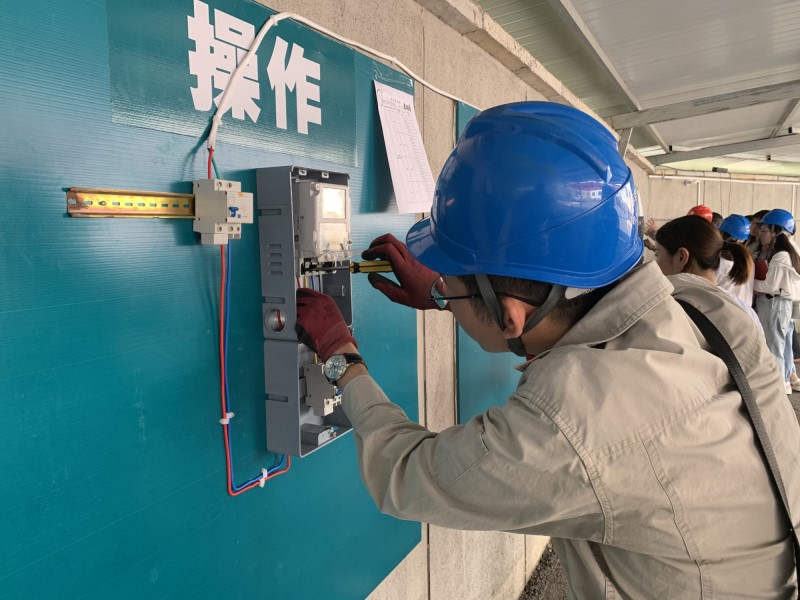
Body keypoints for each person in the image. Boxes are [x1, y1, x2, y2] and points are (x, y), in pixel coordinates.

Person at [295, 102, 800, 598]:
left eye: (451, 284)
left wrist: (341, 355)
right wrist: (448, 296)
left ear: (510, 316)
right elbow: (541, 320)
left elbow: (404, 474)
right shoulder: (702, 303)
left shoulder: (567, 424)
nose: (444, 288)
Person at [653, 215, 761, 330]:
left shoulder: (671, 312)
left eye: (657, 255)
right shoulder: (747, 312)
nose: (655, 263)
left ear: (681, 257)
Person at [754, 208, 800, 394]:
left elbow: (770, 286)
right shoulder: (777, 252)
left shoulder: (781, 255)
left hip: (775, 303)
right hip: (773, 303)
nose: (760, 234)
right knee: (779, 345)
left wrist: (749, 282)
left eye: (764, 230)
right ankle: (784, 381)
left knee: (775, 347)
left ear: (776, 231)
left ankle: (779, 387)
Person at [717, 213, 756, 306]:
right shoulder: (748, 260)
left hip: (726, 308)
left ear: (722, 234)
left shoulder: (721, 262)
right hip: (746, 309)